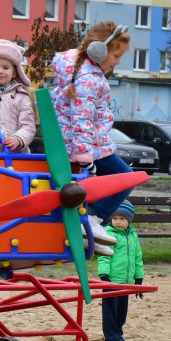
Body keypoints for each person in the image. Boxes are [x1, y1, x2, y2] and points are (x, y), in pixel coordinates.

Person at [51, 20, 133, 257]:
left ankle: (89, 229)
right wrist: (85, 156)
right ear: (100, 51)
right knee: (125, 178)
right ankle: (92, 222)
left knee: (95, 186)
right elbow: (82, 119)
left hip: (90, 146)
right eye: (116, 56)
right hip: (87, 148)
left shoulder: (87, 73)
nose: (118, 62)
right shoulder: (87, 78)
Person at [97, 200, 144, 341]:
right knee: (110, 311)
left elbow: (137, 258)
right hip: (112, 280)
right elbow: (104, 256)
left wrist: (138, 279)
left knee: (121, 312)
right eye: (115, 218)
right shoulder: (107, 234)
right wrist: (104, 277)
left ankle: (118, 337)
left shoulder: (133, 237)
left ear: (129, 220)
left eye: (122, 219)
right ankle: (112, 340)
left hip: (126, 281)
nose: (117, 222)